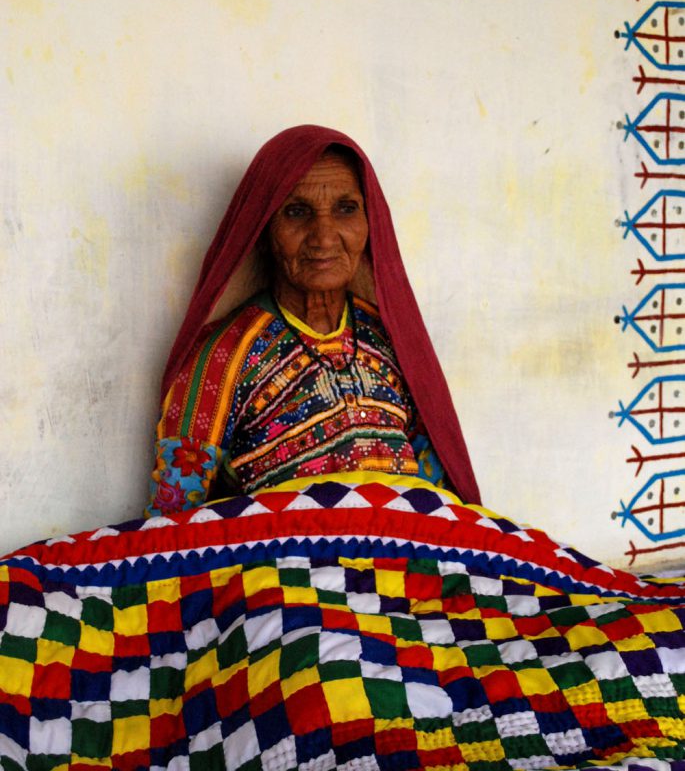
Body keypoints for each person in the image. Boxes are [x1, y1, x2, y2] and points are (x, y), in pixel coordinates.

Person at [146, 126, 480, 516]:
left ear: (371, 224)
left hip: (403, 570)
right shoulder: (221, 359)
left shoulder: (391, 339)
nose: (323, 237)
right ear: (265, 230)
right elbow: (173, 525)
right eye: (297, 212)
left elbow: (441, 500)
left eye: (346, 209)